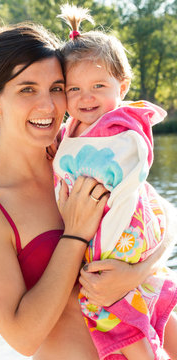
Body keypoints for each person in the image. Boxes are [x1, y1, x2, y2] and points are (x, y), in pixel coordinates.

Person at [0, 20, 176, 360]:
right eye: (27, 89)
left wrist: (136, 272)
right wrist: (75, 235)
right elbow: (24, 338)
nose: (48, 106)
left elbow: (164, 218)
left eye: (57, 88)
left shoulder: (82, 154)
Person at [53, 4, 177, 360]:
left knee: (113, 307)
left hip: (125, 235)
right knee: (124, 305)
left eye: (98, 86)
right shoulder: (73, 130)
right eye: (74, 89)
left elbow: (121, 167)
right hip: (122, 236)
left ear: (122, 86)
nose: (85, 97)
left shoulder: (119, 127)